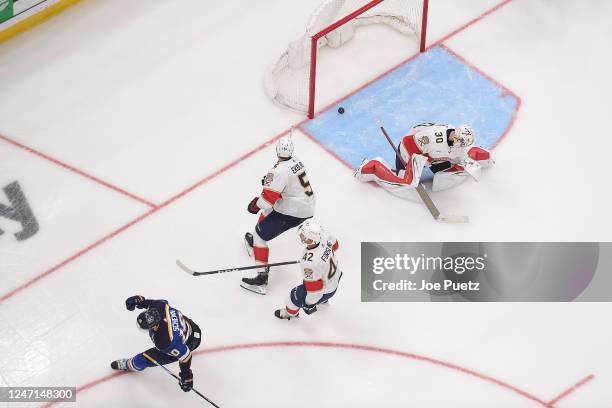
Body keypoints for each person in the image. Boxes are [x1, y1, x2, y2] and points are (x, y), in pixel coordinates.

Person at [242, 133, 316, 295]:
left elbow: (265, 202)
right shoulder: (296, 160)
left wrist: (254, 205)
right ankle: (256, 240)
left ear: (276, 150)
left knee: (260, 236)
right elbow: (289, 183)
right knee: (270, 210)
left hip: (293, 212)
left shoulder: (278, 172)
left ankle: (261, 279)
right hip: (306, 204)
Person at [355, 123, 494, 195]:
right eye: (463, 142)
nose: (463, 146)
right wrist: (426, 160)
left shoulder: (456, 140)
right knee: (406, 183)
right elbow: (408, 143)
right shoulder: (434, 138)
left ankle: (482, 155)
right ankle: (374, 166)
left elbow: (461, 153)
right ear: (457, 136)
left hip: (431, 154)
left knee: (456, 163)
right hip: (409, 152)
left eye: (466, 144)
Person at [110, 296, 202, 393]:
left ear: (154, 325)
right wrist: (140, 302)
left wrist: (187, 376)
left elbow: (185, 355)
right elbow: (150, 303)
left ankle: (128, 364)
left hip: (191, 342)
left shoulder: (164, 341)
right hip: (192, 327)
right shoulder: (159, 306)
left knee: (140, 361)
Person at [275, 221, 341, 320]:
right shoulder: (326, 237)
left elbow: (316, 289)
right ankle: (323, 301)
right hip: (335, 280)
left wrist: (309, 305)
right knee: (320, 280)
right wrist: (322, 258)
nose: (301, 237)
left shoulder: (309, 263)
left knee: (293, 297)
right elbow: (335, 246)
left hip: (325, 290)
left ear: (312, 240)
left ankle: (290, 314)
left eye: (303, 236)